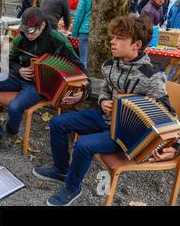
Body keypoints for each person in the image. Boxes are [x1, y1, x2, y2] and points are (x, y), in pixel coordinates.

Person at [33, 16, 178, 206]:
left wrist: (175, 148)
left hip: (128, 135)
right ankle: (61, 170)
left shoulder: (151, 77)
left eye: (119, 38)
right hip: (106, 118)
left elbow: (170, 116)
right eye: (113, 36)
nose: (112, 41)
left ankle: (72, 188)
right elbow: (105, 90)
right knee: (57, 122)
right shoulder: (110, 65)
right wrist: (102, 102)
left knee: (83, 145)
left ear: (137, 45)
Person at [0, 8, 89, 150]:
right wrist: (19, 70)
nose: (28, 35)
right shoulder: (20, 38)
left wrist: (86, 89)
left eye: (31, 31)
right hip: (17, 77)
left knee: (14, 107)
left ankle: (11, 133)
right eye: (25, 30)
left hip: (40, 86)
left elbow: (79, 67)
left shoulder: (57, 40)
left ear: (42, 26)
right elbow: (8, 62)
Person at [71, 0, 93, 69]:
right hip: (99, 31)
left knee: (83, 58)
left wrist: (74, 34)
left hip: (85, 30)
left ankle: (85, 80)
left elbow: (79, 16)